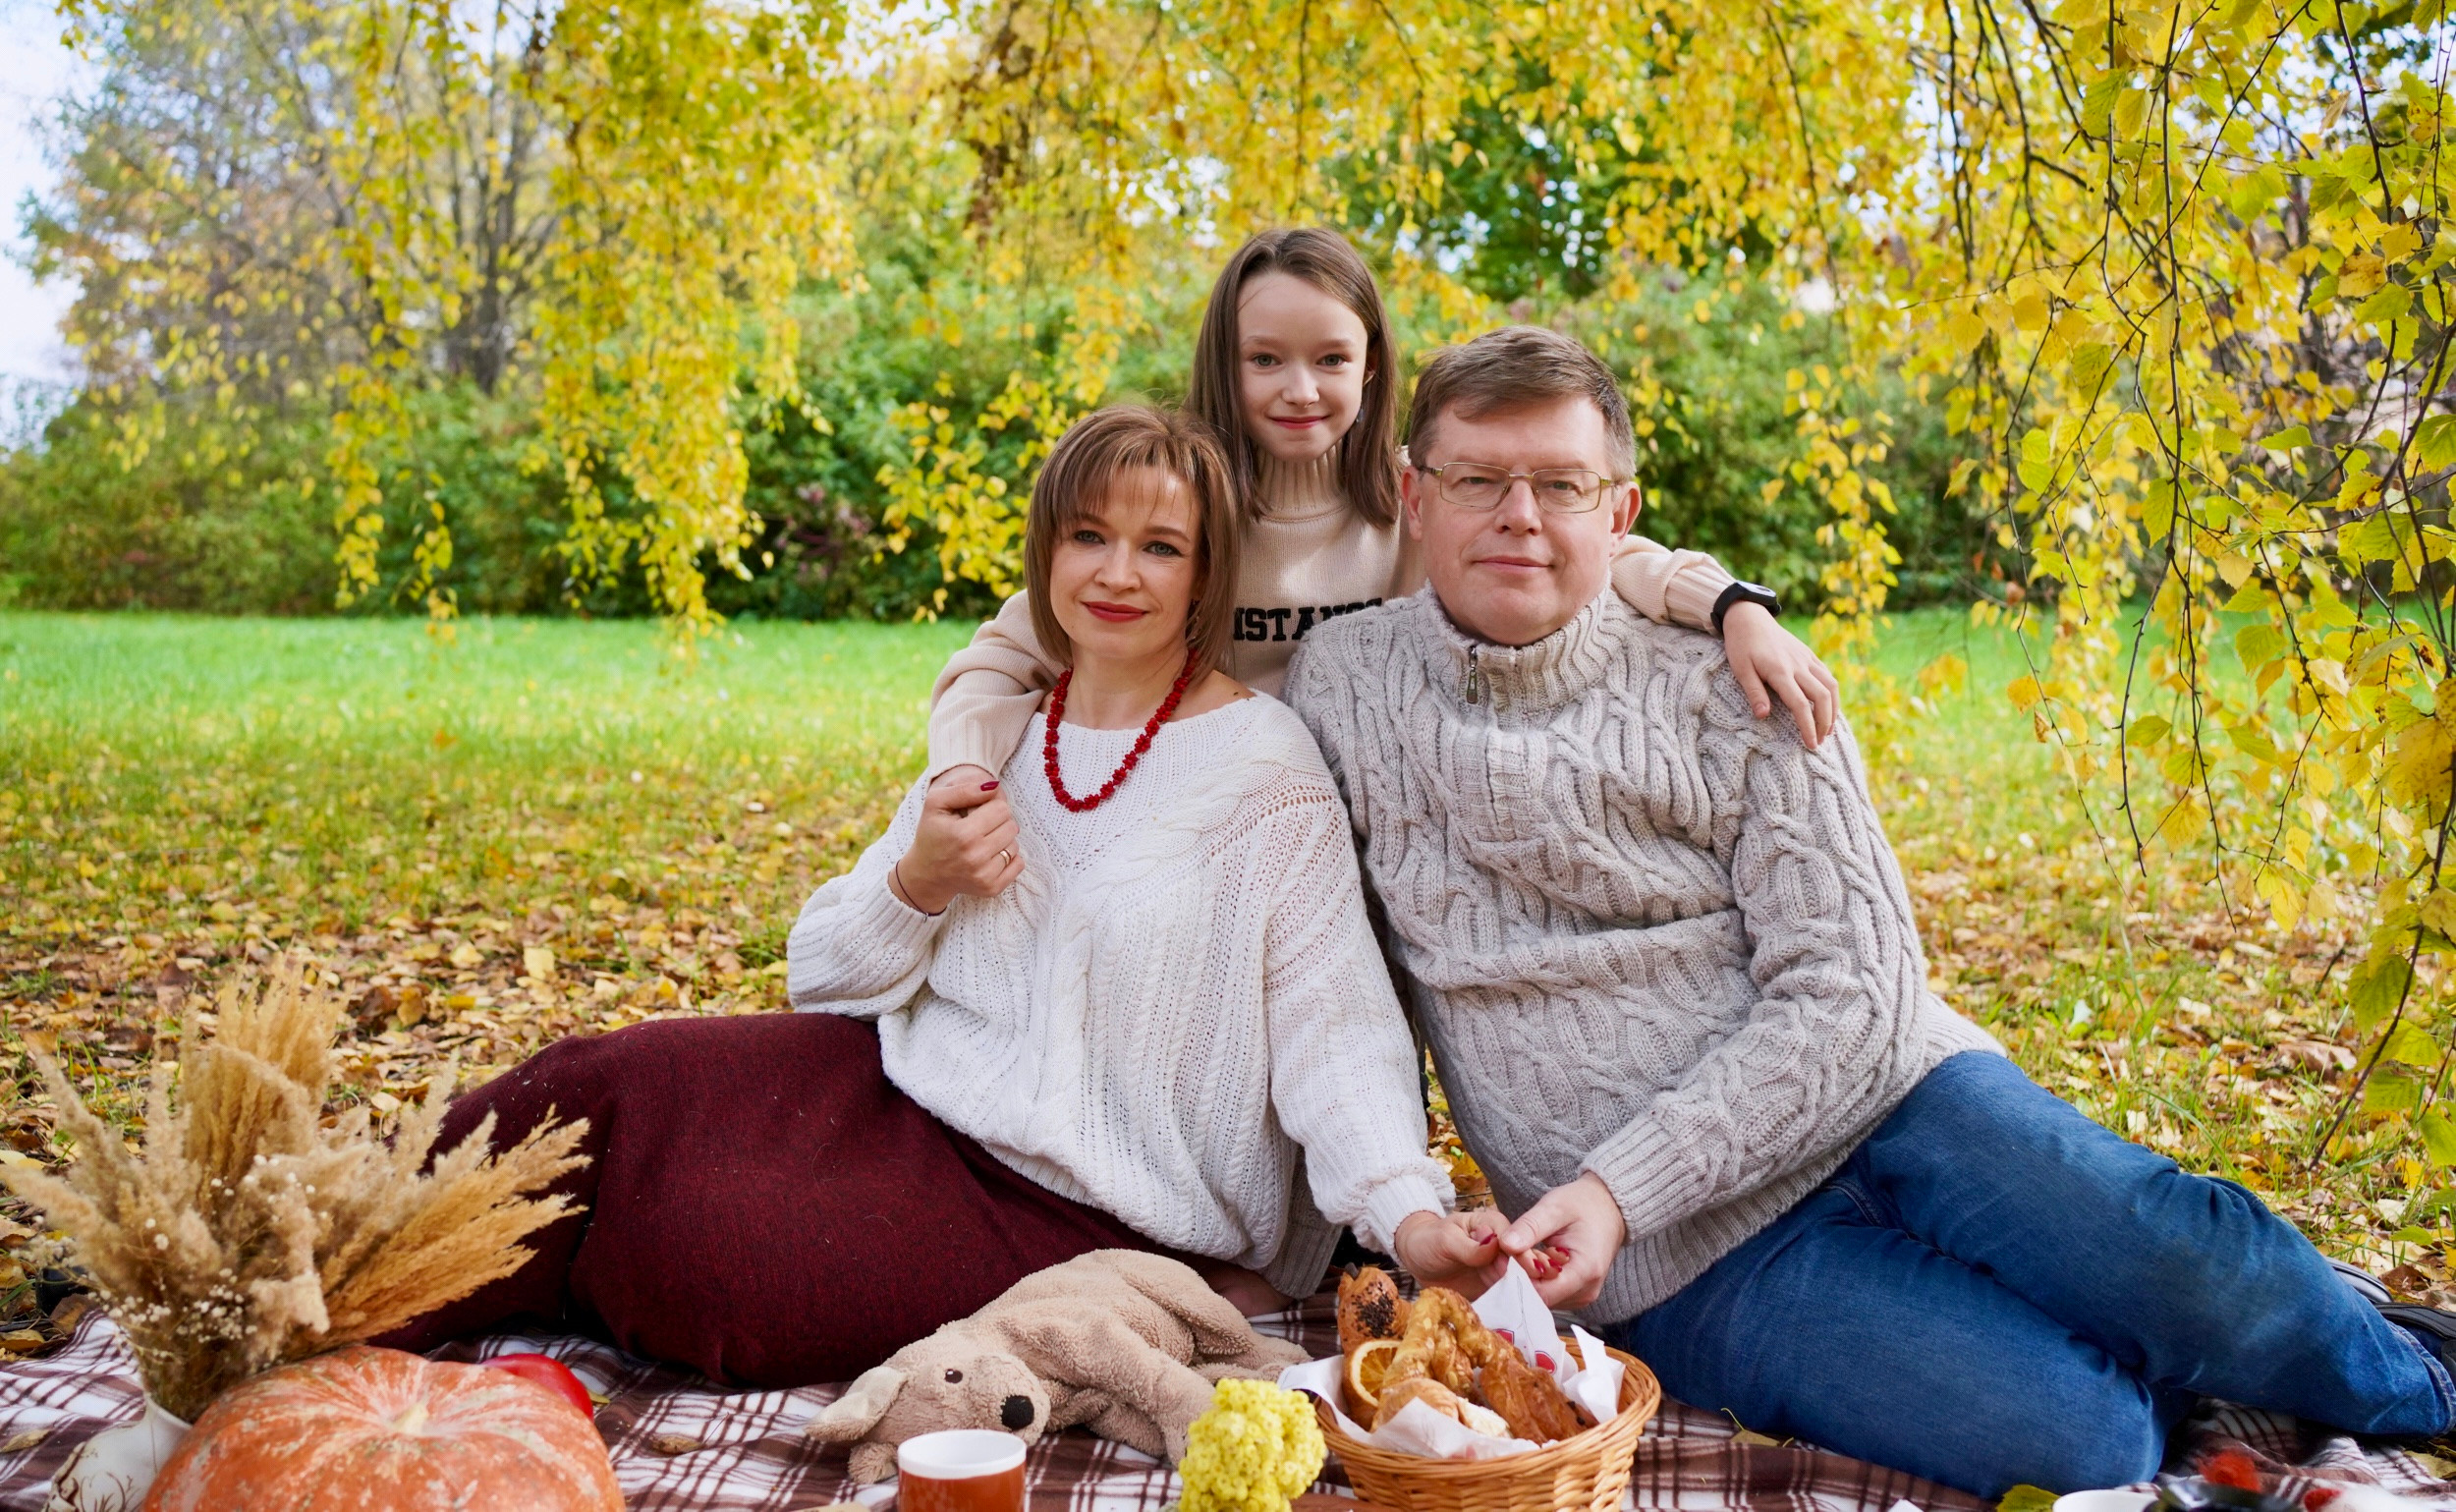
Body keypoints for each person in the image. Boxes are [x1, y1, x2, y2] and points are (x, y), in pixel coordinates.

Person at [1282, 324, 2456, 1497]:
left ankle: (2419, 1382)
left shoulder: (1730, 672)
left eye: (1560, 484)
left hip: (1894, 1100)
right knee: (2082, 1438)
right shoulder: (1341, 685)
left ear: (1621, 510)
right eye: (1477, 479)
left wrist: (1625, 1179)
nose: (1519, 515)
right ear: (1413, 495)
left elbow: (1855, 987)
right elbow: (1332, 993)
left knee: (2211, 1274)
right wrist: (1452, 1208)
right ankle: (2154, 1339)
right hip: (1675, 1258)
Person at [386, 406, 1490, 1388]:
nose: (1117, 572)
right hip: (900, 1086)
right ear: (1046, 552)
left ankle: (488, 1287)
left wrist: (1408, 1215)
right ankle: (333, 1275)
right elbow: (820, 973)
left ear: (1205, 575)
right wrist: (919, 880)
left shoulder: (1266, 772)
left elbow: (1336, 1032)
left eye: (1161, 546)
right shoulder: (1002, 731)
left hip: (1079, 1201)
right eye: (1089, 536)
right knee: (603, 1084)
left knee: (716, 1264)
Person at [921, 229, 1839, 893]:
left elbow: (1598, 548)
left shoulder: (1414, 500)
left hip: (1378, 835)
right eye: (1265, 359)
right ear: (1225, 366)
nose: (1300, 389)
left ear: (1368, 370)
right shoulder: (1177, 514)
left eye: (1330, 358)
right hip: (1198, 830)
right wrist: (961, 773)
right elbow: (1007, 653)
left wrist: (1733, 606)